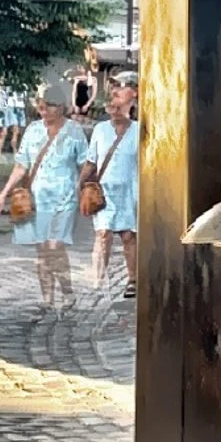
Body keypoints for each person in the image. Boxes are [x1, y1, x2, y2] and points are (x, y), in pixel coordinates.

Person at [0, 87, 88, 307]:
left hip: (65, 199)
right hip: (38, 199)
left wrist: (81, 186)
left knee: (55, 247)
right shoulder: (33, 130)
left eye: (49, 106)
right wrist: (3, 194)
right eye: (41, 106)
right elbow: (21, 166)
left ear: (61, 107)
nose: (44, 111)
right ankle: (47, 297)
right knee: (42, 248)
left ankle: (67, 291)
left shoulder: (74, 131)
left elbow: (85, 164)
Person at [90, 73, 139, 299]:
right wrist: (80, 184)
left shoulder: (140, 130)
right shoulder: (100, 130)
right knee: (103, 234)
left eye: (123, 87)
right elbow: (92, 161)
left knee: (128, 236)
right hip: (105, 191)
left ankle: (133, 280)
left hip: (130, 190)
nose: (116, 91)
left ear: (134, 95)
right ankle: (99, 280)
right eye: (115, 87)